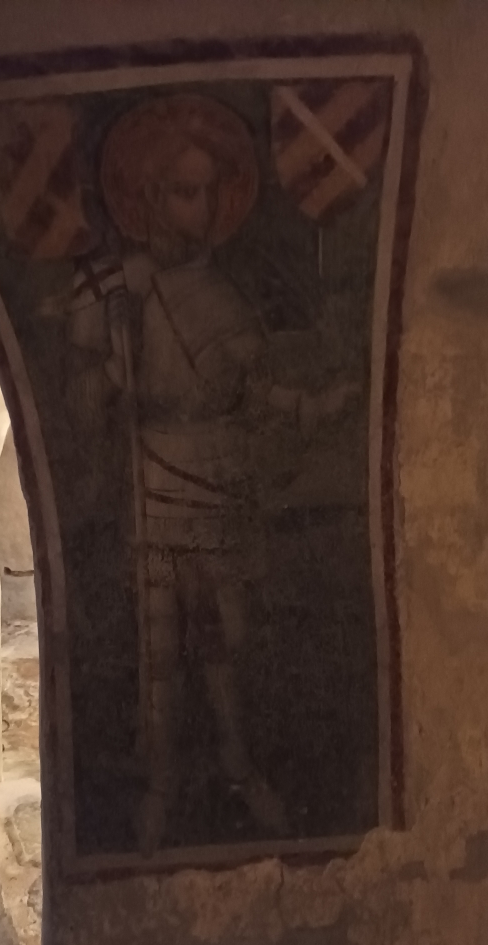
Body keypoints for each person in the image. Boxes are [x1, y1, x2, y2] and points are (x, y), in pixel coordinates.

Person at [66, 94, 357, 854]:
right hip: (154, 482)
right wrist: (111, 374)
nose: (197, 208)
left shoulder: (223, 294)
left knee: (225, 639)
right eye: (182, 192)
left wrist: (312, 406)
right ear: (150, 196)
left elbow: (253, 392)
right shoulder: (114, 288)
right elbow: (82, 403)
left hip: (220, 481)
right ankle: (160, 786)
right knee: (160, 650)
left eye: (206, 192)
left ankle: (237, 766)